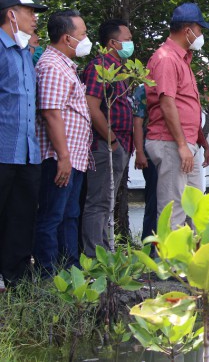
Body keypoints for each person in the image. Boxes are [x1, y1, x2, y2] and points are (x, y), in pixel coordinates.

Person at [34, 10, 93, 276]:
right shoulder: (52, 66)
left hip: (74, 158)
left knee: (69, 215)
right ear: (67, 38)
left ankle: (71, 271)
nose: (86, 39)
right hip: (60, 158)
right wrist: (64, 157)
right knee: (52, 216)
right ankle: (48, 275)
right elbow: (50, 112)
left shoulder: (65, 65)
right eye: (82, 34)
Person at [145, 3, 209, 230]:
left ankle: (191, 263)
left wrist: (200, 141)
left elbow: (186, 106)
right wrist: (182, 145)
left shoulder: (182, 59)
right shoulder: (166, 58)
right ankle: (169, 264)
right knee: (173, 210)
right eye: (200, 30)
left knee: (194, 208)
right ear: (188, 30)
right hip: (171, 143)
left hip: (185, 143)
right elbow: (167, 103)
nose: (201, 35)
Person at [0, 0, 46, 287]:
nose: (34, 18)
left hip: (28, 152)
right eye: (30, 12)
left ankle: (14, 276)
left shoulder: (23, 53)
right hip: (3, 150)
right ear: (11, 14)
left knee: (22, 214)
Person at [80, 19, 134, 256]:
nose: (132, 43)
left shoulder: (120, 71)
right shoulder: (99, 68)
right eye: (128, 39)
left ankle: (104, 251)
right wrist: (111, 140)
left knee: (107, 202)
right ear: (113, 43)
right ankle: (94, 255)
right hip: (104, 145)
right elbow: (92, 107)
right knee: (98, 202)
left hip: (119, 143)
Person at [131, 84, 158, 249]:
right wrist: (139, 152)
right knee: (153, 201)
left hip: (174, 153)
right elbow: (137, 122)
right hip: (152, 152)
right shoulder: (144, 89)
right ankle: (149, 247)